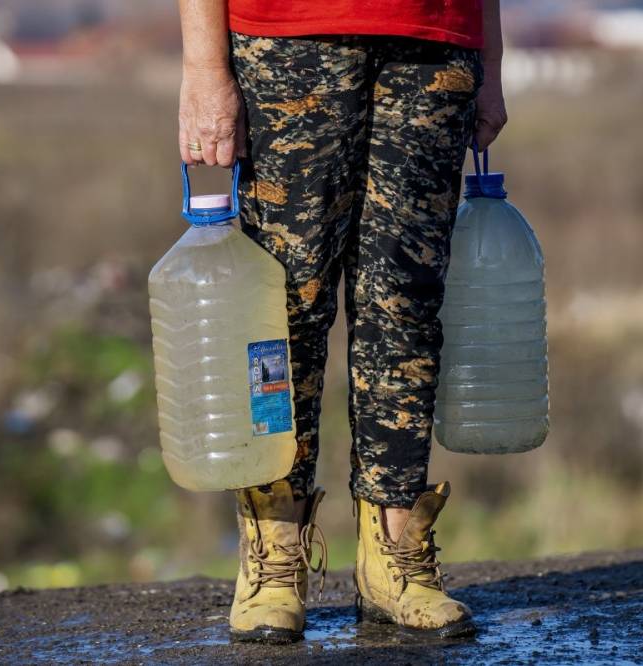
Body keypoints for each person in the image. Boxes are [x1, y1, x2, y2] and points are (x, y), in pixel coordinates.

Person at [176, 0, 507, 643]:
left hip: (436, 38)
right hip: (289, 33)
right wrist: (203, 66)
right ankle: (275, 555)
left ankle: (394, 556)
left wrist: (490, 61)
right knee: (280, 308)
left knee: (404, 301)